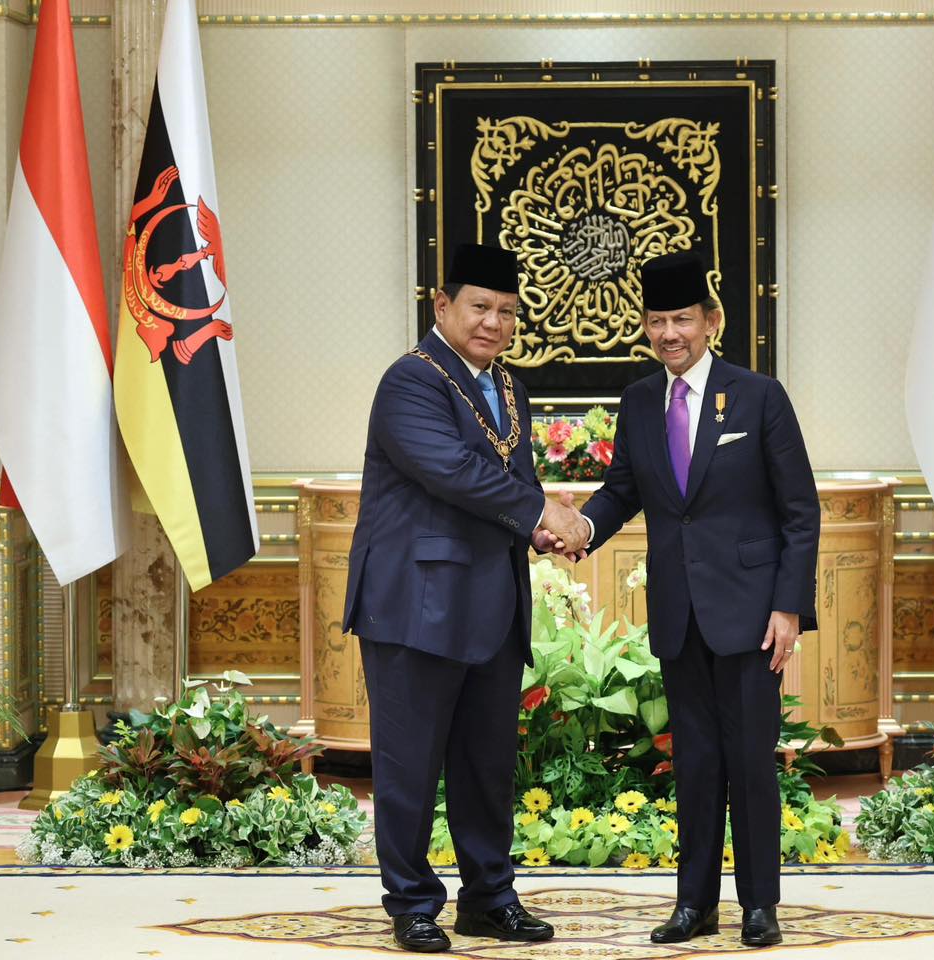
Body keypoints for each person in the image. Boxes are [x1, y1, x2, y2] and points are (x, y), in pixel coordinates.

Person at [342, 242, 589, 953]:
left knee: (486, 764)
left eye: (507, 312)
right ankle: (413, 904)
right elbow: (454, 473)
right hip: (416, 602)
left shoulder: (509, 386)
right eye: (480, 307)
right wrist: (545, 514)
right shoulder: (410, 382)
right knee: (410, 763)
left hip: (491, 600)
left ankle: (489, 898)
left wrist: (542, 531)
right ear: (441, 305)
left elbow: (503, 490)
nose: (494, 323)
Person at [576, 251, 819, 947]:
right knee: (696, 765)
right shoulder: (636, 402)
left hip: (750, 615)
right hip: (680, 616)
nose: (669, 333)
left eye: (682, 318)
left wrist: (788, 607)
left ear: (711, 321)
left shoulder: (758, 397)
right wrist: (579, 528)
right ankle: (694, 905)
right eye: (657, 321)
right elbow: (623, 491)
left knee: (750, 762)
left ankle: (760, 907)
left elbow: (799, 511)